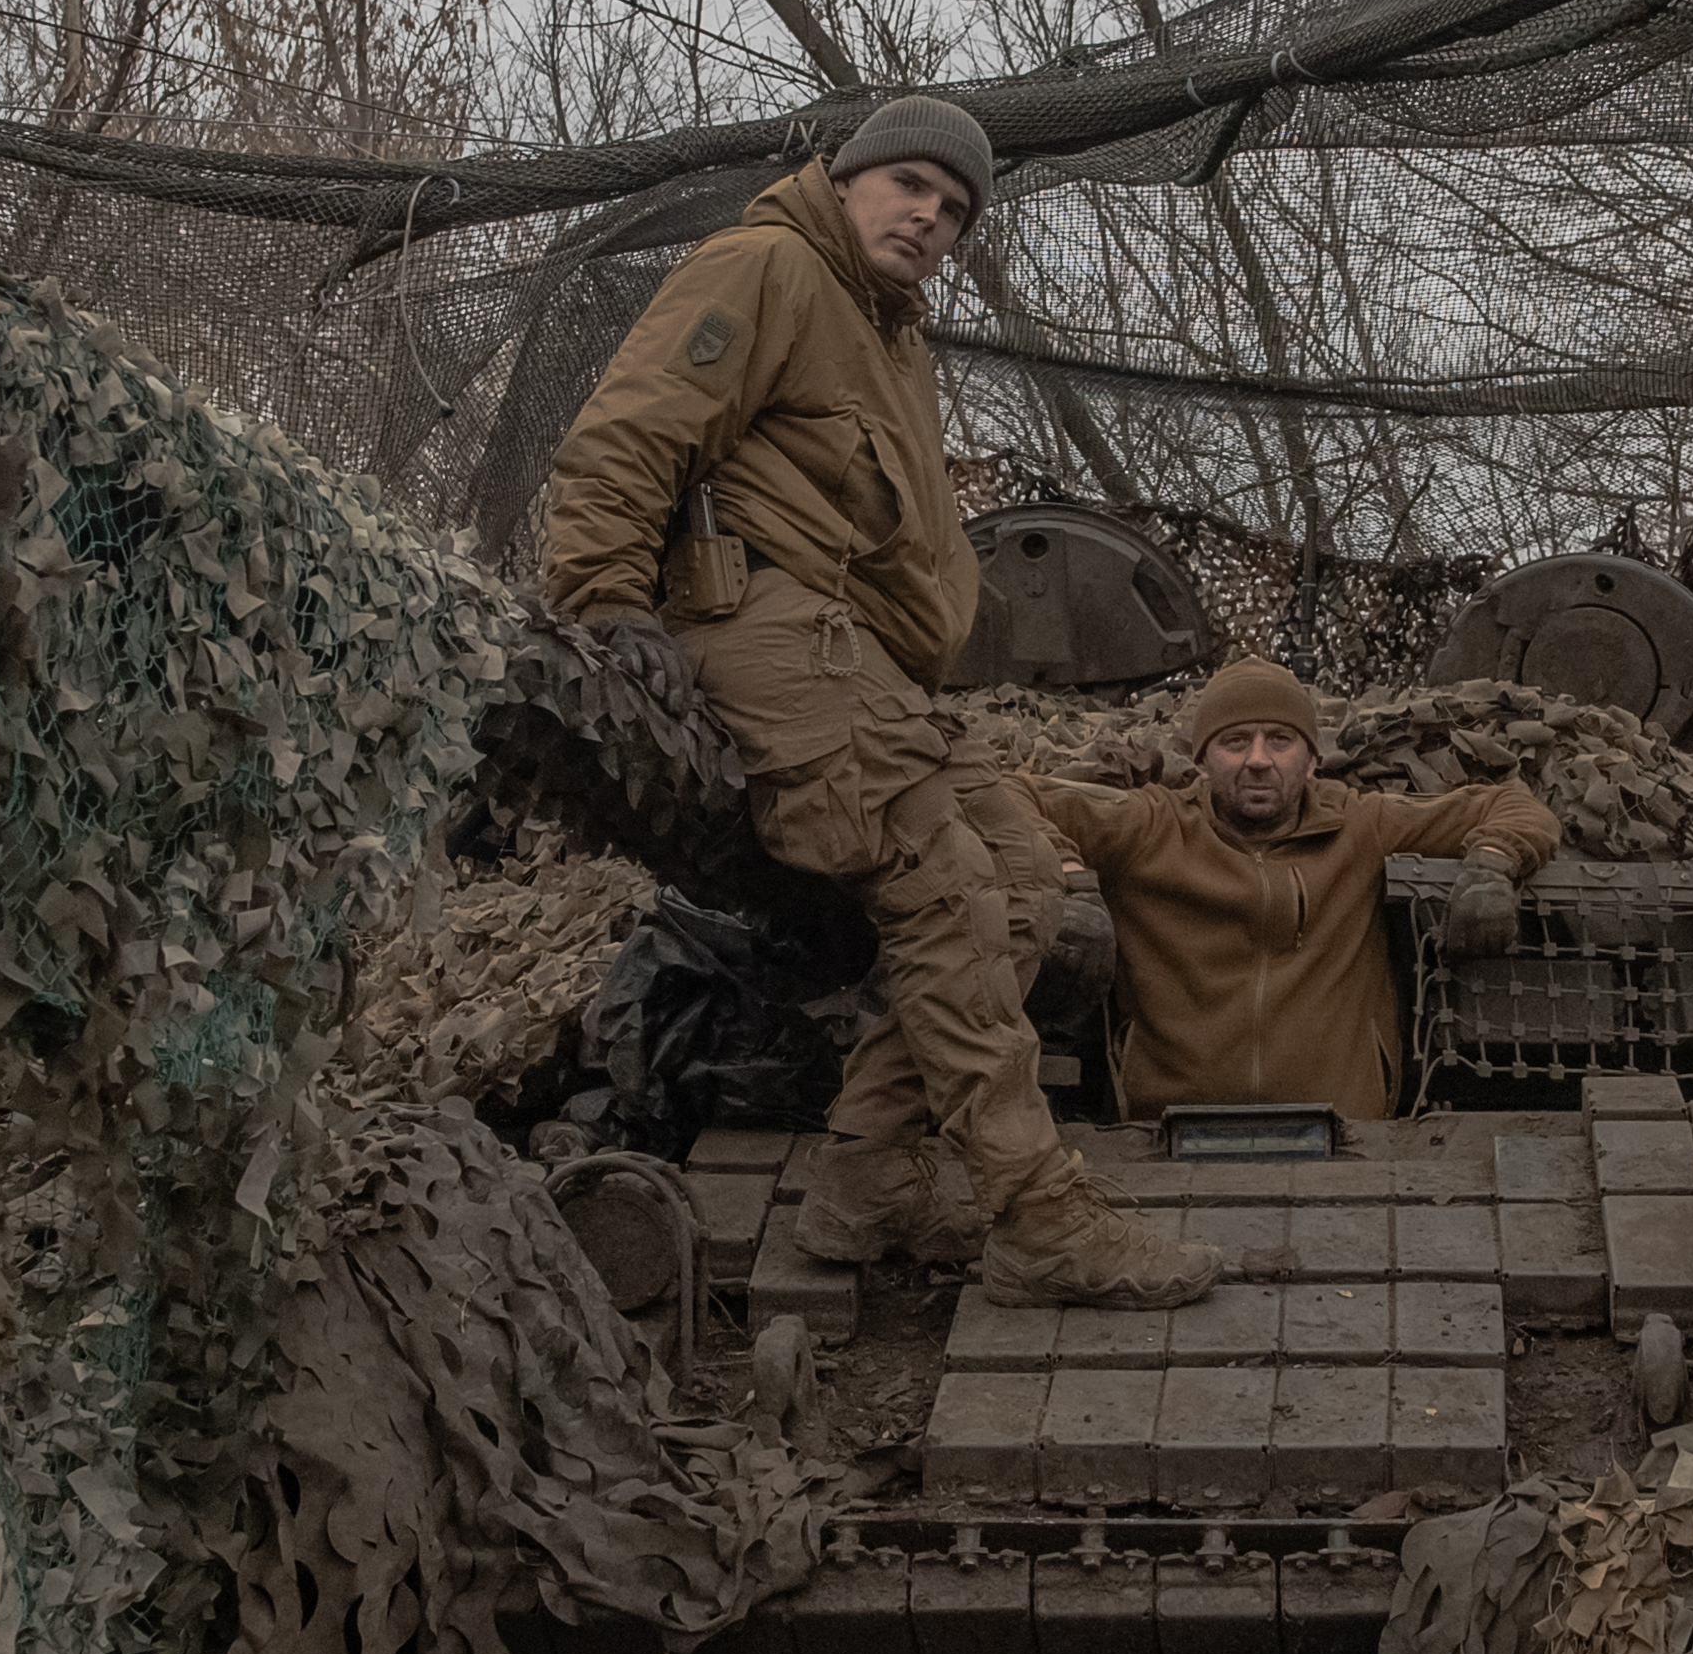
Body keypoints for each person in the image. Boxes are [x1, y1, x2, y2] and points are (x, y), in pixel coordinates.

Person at [534, 96, 1206, 1308]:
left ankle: (868, 1177)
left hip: (865, 662)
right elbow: (629, 431)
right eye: (908, 184)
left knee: (1021, 889)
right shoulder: (767, 264)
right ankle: (1039, 1215)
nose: (928, 216)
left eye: (953, 208)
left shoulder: (887, 331)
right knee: (943, 888)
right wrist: (608, 603)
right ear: (844, 178)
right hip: (763, 629)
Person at [1030, 659, 1561, 1132]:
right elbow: (1006, 797)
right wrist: (1069, 876)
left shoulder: (1358, 824)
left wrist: (1494, 861)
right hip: (1161, 1137)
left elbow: (1512, 805)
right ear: (1202, 761)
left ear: (1311, 761)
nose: (1258, 759)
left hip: (1343, 1139)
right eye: (1235, 742)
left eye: (1280, 740)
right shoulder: (1151, 826)